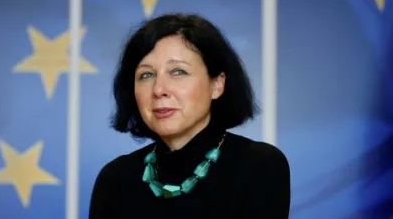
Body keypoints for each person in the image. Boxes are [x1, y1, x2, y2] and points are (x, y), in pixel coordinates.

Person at [89, 13, 290, 218]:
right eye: (146, 75)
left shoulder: (258, 166)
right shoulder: (115, 179)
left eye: (178, 72)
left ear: (217, 84)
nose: (159, 89)